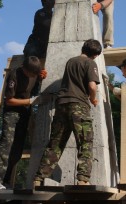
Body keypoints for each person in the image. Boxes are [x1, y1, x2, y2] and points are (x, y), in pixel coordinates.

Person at [33, 39, 102, 187]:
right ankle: (83, 179)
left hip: (62, 104)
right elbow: (92, 86)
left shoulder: (71, 61)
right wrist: (93, 99)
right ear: (95, 55)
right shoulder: (90, 63)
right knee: (85, 142)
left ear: (83, 48)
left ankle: (39, 178)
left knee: (55, 143)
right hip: (79, 105)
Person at [0, 56, 48, 189]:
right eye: (32, 73)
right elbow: (9, 101)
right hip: (12, 113)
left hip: (24, 113)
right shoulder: (14, 75)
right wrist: (30, 101)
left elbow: (36, 82)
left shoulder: (35, 73)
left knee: (17, 149)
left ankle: (6, 181)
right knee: (6, 145)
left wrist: (41, 78)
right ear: (25, 69)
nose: (33, 75)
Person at [23, 0, 56, 68]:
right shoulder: (40, 13)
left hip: (47, 44)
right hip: (36, 43)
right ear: (44, 1)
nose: (54, 1)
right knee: (31, 56)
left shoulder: (55, 14)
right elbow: (45, 24)